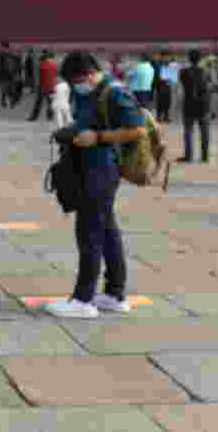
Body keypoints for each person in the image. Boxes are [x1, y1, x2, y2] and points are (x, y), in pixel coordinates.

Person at [44, 51, 145, 319]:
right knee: (107, 230)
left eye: (77, 80)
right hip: (88, 167)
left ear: (88, 74)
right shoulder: (89, 91)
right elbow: (87, 121)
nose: (76, 86)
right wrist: (72, 132)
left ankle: (82, 299)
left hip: (101, 170)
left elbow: (137, 128)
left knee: (88, 231)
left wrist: (97, 136)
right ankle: (114, 294)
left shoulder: (114, 92)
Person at [178, 49, 212, 164]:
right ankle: (205, 156)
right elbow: (210, 87)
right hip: (203, 105)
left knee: (188, 131)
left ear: (189, 59)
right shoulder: (206, 72)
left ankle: (188, 156)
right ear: (200, 59)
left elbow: (182, 84)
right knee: (205, 132)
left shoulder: (183, 72)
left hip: (189, 105)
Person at [28, 52, 57, 121]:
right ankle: (50, 117)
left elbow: (39, 77)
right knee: (50, 103)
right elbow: (55, 75)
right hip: (52, 87)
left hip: (43, 87)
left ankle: (34, 117)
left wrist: (36, 86)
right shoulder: (54, 65)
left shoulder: (42, 65)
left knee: (38, 103)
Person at [156, 52, 179, 123]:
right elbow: (157, 75)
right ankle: (159, 116)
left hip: (168, 85)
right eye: (165, 57)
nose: (167, 58)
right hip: (160, 85)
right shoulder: (158, 64)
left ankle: (166, 116)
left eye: (168, 57)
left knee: (167, 101)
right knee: (160, 101)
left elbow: (173, 75)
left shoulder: (170, 65)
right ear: (162, 56)